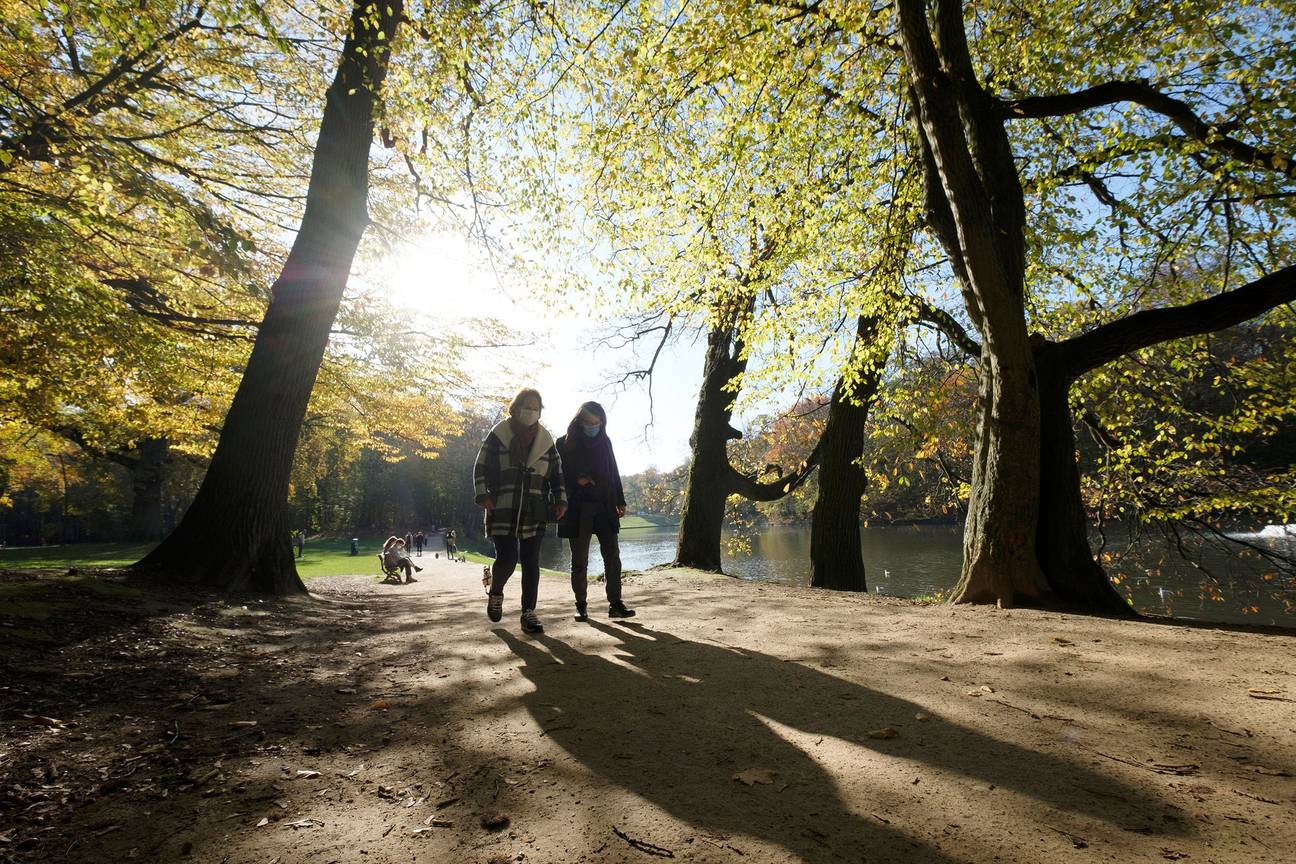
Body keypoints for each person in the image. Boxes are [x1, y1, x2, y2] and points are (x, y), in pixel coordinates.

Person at [474, 388, 567, 633]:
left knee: (531, 561)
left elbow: (557, 474)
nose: (531, 411)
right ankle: (496, 592)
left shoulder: (545, 440)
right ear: (515, 408)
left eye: (536, 407)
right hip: (502, 506)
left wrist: (561, 501)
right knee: (506, 558)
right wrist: (483, 494)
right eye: (527, 406)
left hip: (534, 508)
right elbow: (480, 466)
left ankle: (529, 612)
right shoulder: (499, 434)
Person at [556, 401, 635, 621]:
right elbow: (557, 475)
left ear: (602, 423)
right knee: (579, 560)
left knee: (612, 557)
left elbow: (613, 469)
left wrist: (620, 499)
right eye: (589, 422)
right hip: (577, 508)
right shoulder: (563, 443)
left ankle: (615, 603)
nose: (593, 426)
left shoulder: (605, 441)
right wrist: (577, 479)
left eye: (597, 422)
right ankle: (581, 605)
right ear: (579, 420)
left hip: (605, 505)